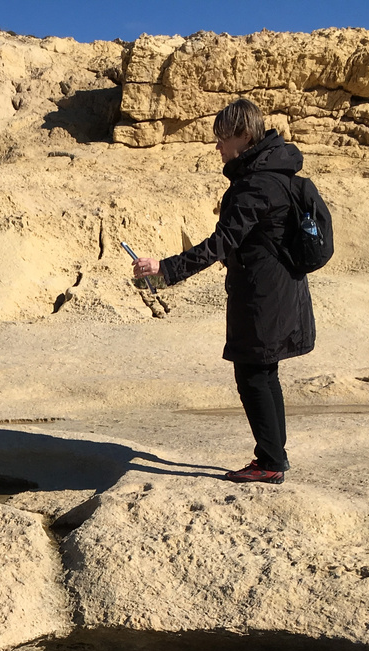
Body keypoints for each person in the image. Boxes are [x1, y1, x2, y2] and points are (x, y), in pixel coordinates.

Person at [132, 98, 316, 485]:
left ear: (244, 135)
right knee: (264, 373)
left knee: (253, 375)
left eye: (221, 138)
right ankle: (273, 457)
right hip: (281, 290)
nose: (217, 147)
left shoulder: (257, 183)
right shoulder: (276, 171)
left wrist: (163, 270)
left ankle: (269, 462)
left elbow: (221, 242)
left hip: (262, 296)